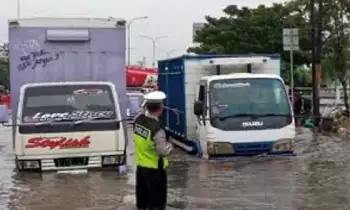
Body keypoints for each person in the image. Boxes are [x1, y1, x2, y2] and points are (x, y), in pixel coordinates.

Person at [133, 90, 173, 210]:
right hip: (156, 171)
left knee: (142, 203)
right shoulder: (157, 129)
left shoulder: (138, 121)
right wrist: (170, 145)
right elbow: (163, 151)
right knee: (157, 204)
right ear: (160, 108)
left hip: (141, 168)